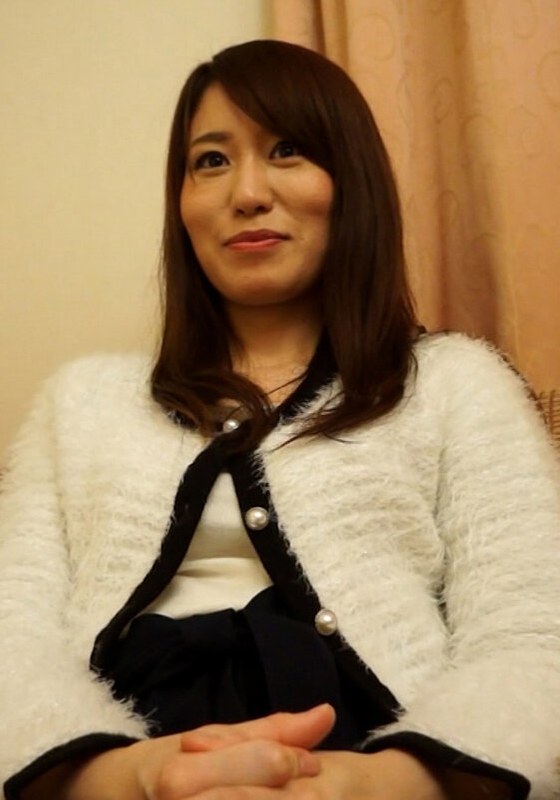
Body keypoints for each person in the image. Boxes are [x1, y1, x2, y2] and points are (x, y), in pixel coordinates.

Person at [1, 38, 559, 800]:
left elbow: (535, 637)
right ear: (181, 203)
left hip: (380, 763)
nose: (247, 193)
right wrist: (134, 775)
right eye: (210, 160)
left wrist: (362, 785)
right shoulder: (78, 402)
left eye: (287, 150)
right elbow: (12, 641)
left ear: (349, 179)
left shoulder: (457, 384)